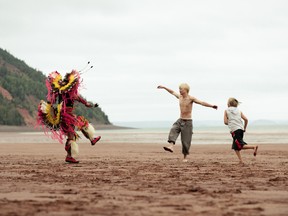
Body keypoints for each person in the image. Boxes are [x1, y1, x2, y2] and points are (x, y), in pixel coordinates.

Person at [37, 70, 101, 163]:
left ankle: (73, 153)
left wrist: (93, 105)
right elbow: (85, 103)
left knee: (74, 132)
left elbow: (85, 103)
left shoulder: (69, 94)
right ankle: (89, 141)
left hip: (67, 116)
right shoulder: (64, 94)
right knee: (76, 129)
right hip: (65, 116)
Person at [157, 83, 218, 162]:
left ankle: (185, 157)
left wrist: (212, 106)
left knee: (186, 141)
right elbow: (172, 92)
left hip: (188, 122)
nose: (179, 90)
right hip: (180, 120)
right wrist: (164, 87)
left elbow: (202, 103)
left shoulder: (191, 98)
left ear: (185, 90)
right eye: (179, 89)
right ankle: (171, 146)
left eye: (181, 89)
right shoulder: (180, 97)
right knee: (173, 129)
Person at [224, 97, 258, 164]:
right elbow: (246, 119)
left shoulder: (226, 111)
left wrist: (230, 122)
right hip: (240, 129)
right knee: (235, 147)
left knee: (240, 146)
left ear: (229, 104)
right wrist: (244, 128)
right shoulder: (239, 111)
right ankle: (240, 161)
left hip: (234, 130)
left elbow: (225, 122)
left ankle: (253, 146)